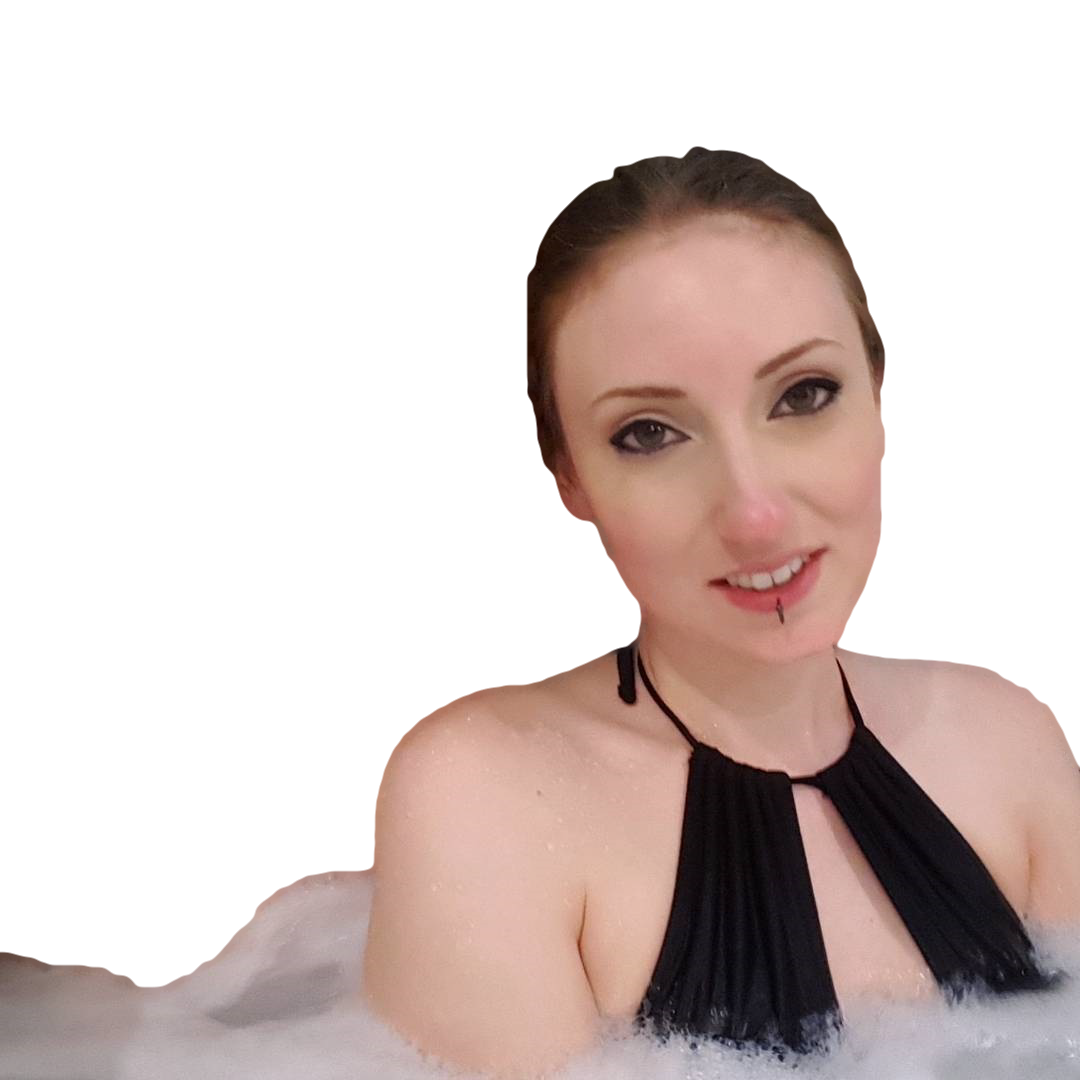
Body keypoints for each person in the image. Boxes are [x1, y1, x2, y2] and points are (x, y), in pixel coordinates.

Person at [363, 143, 1080, 1078]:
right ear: (569, 476)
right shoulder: (486, 798)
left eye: (805, 395)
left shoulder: (1011, 740)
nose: (754, 514)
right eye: (649, 433)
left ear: (879, 397)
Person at [0, 118, 566, 978]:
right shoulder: (45, 751)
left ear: (548, 473)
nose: (397, 483)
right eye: (328, 398)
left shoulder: (593, 738)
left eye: (478, 414)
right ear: (224, 441)